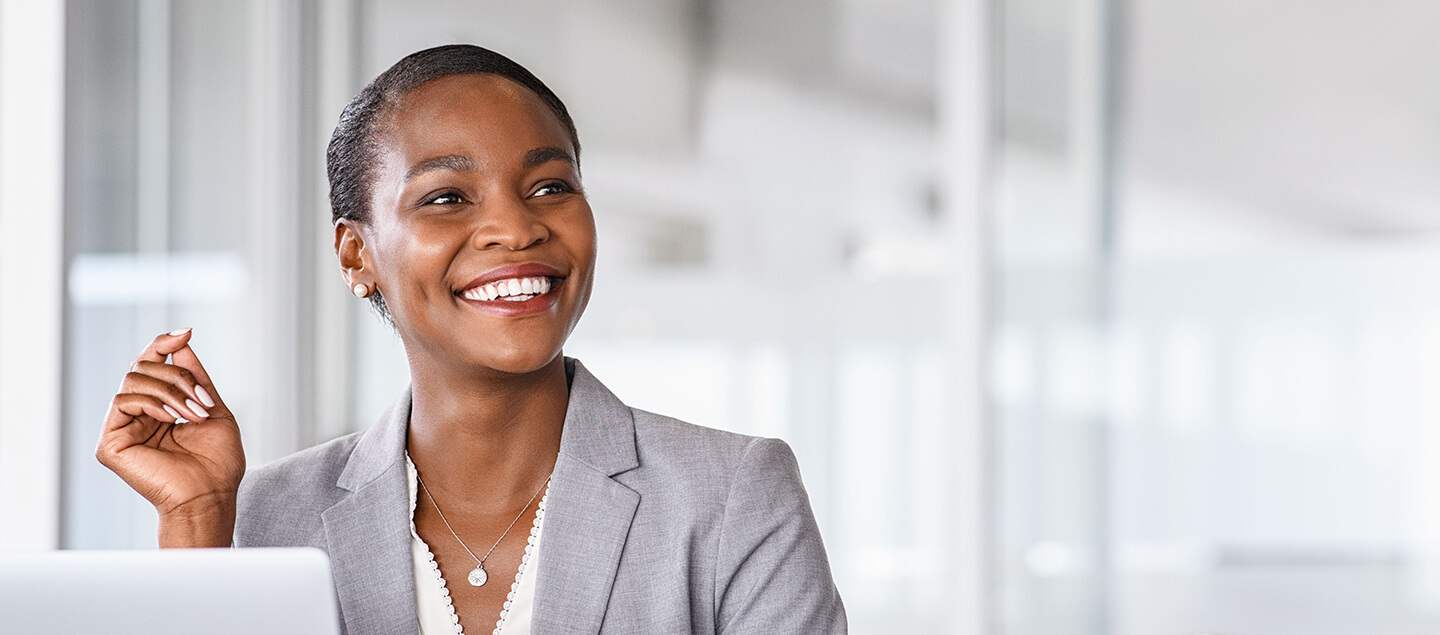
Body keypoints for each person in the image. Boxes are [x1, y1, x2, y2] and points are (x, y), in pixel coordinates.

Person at [95, 44, 846, 635]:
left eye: (551, 186)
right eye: (447, 197)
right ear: (357, 254)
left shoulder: (732, 497)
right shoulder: (265, 516)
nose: (518, 229)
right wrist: (196, 521)